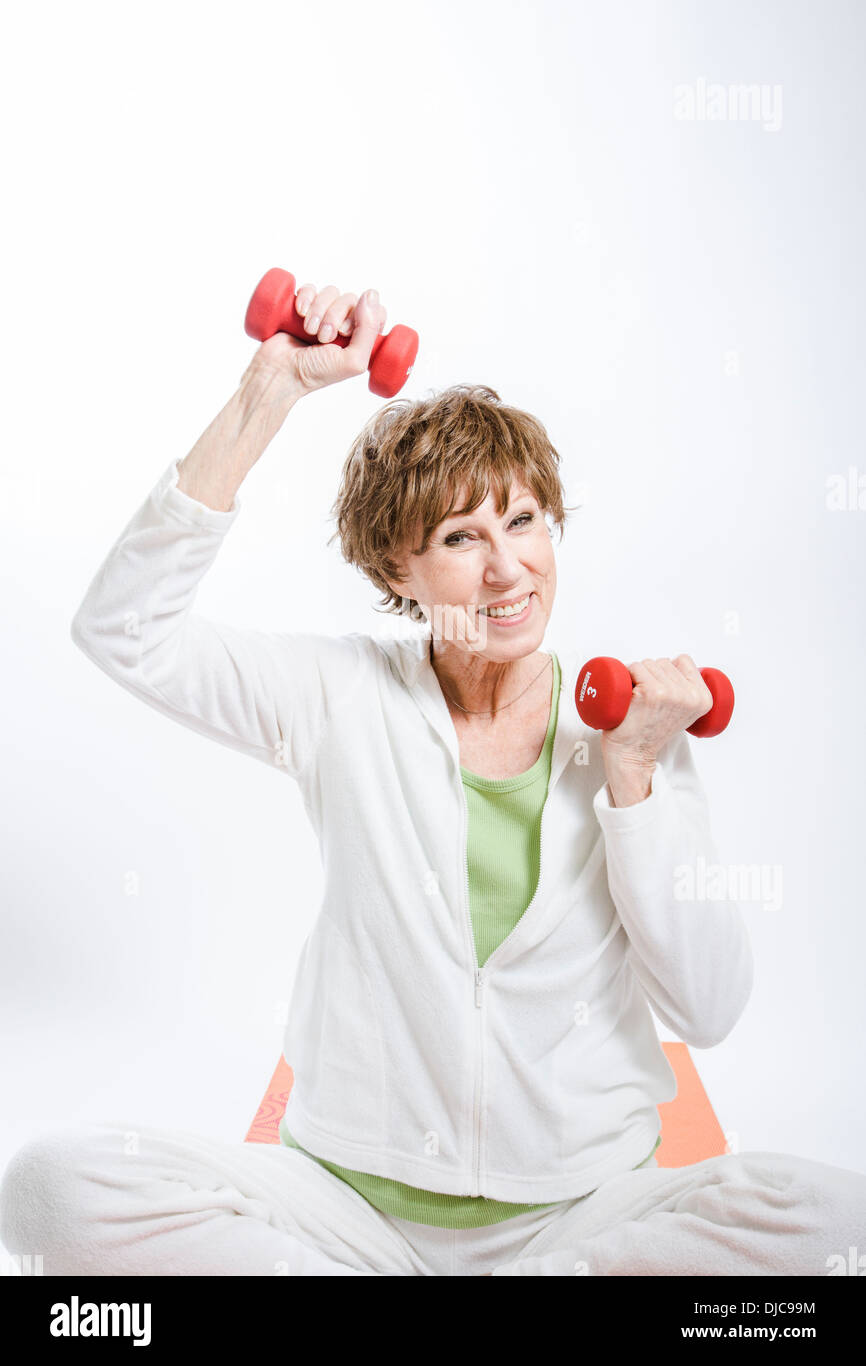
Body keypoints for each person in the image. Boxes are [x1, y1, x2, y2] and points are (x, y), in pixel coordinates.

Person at [2, 282, 864, 1277]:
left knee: (833, 1219)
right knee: (53, 1189)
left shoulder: (630, 729)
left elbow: (708, 1009)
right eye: (462, 538)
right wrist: (266, 391)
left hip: (581, 1211)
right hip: (344, 1210)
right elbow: (124, 629)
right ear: (397, 566)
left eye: (525, 521)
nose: (508, 569)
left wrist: (632, 779)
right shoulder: (335, 695)